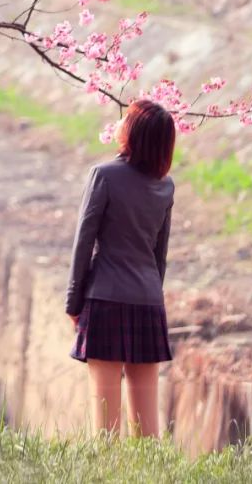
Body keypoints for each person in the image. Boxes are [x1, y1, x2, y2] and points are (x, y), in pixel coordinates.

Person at [65, 98, 176, 438]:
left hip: (105, 301)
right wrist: (150, 297)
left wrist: (73, 302)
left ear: (131, 132)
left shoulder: (104, 176)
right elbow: (160, 256)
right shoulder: (166, 186)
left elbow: (84, 243)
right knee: (147, 431)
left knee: (106, 429)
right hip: (148, 303)